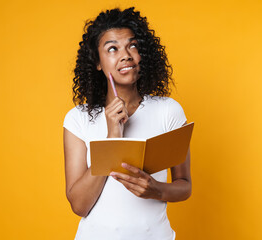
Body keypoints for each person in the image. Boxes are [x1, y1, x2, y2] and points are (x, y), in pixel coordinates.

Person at [63, 7, 191, 240]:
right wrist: (112, 137)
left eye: (132, 45)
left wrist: (156, 189)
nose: (125, 55)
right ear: (98, 62)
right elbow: (79, 205)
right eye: (112, 48)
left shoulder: (169, 111)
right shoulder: (78, 119)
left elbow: (184, 186)